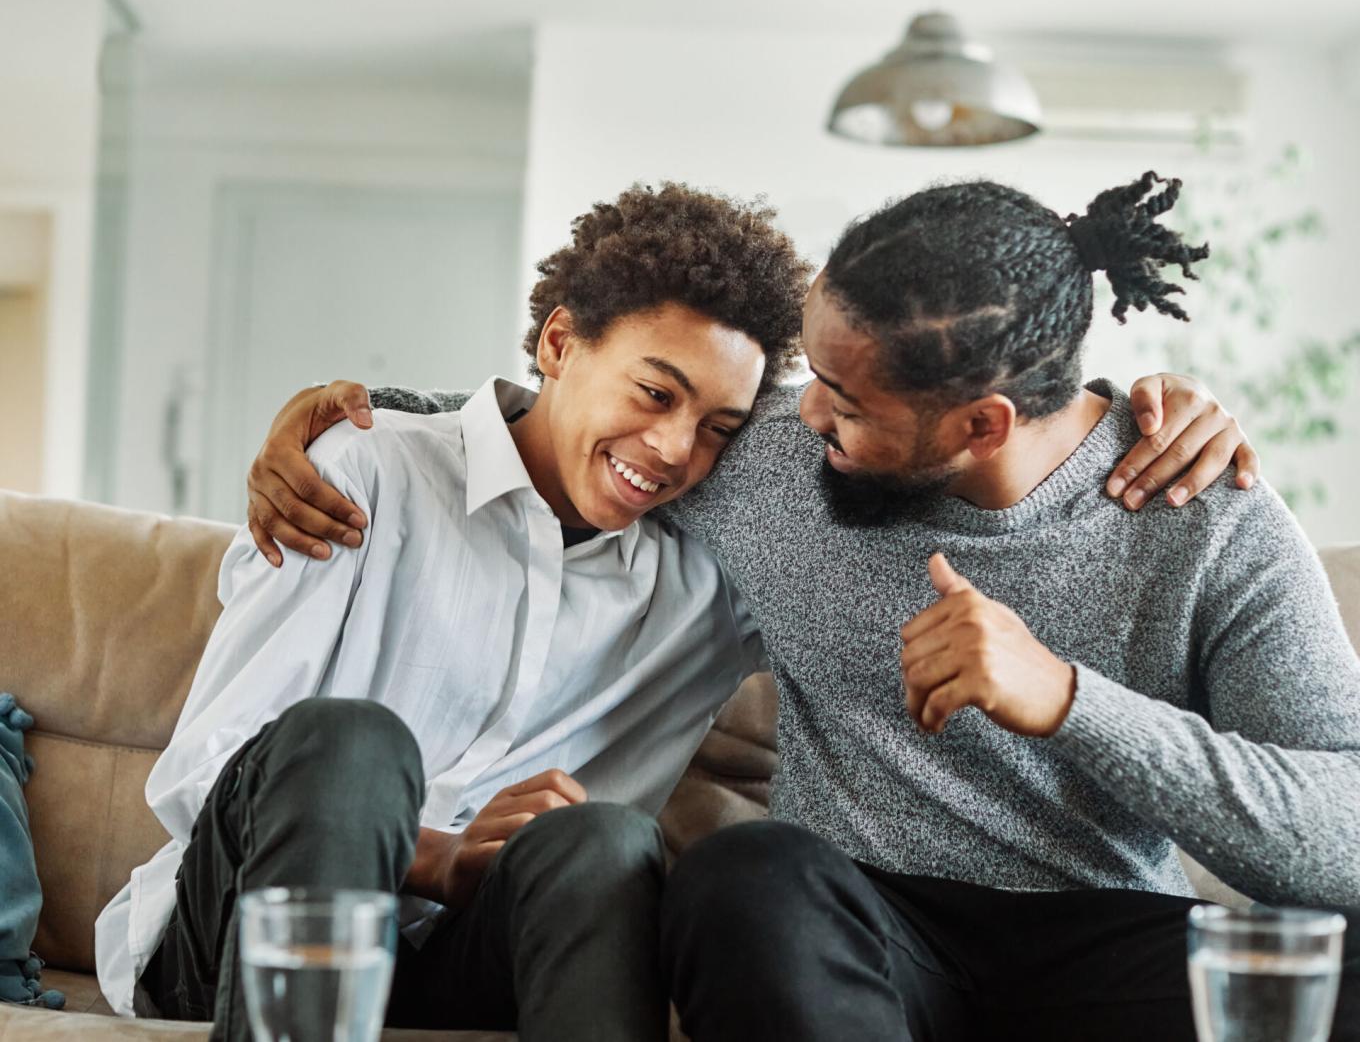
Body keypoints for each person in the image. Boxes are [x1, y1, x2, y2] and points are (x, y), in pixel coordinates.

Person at [250, 172, 1359, 1041]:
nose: (802, 417)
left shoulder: (1207, 515)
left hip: (1103, 938)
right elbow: (572, 422)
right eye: (811, 378)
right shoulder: (773, 456)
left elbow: (1343, 836)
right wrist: (350, 417)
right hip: (851, 929)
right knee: (739, 874)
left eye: (844, 400)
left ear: (980, 424)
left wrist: (1071, 699)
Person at [94, 183, 810, 1041]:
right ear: (559, 343)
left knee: (607, 841)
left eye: (719, 428)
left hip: (462, 962)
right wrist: (437, 857)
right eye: (656, 393)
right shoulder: (362, 473)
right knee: (353, 742)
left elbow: (862, 473)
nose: (675, 449)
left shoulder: (717, 585)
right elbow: (206, 769)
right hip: (244, 936)